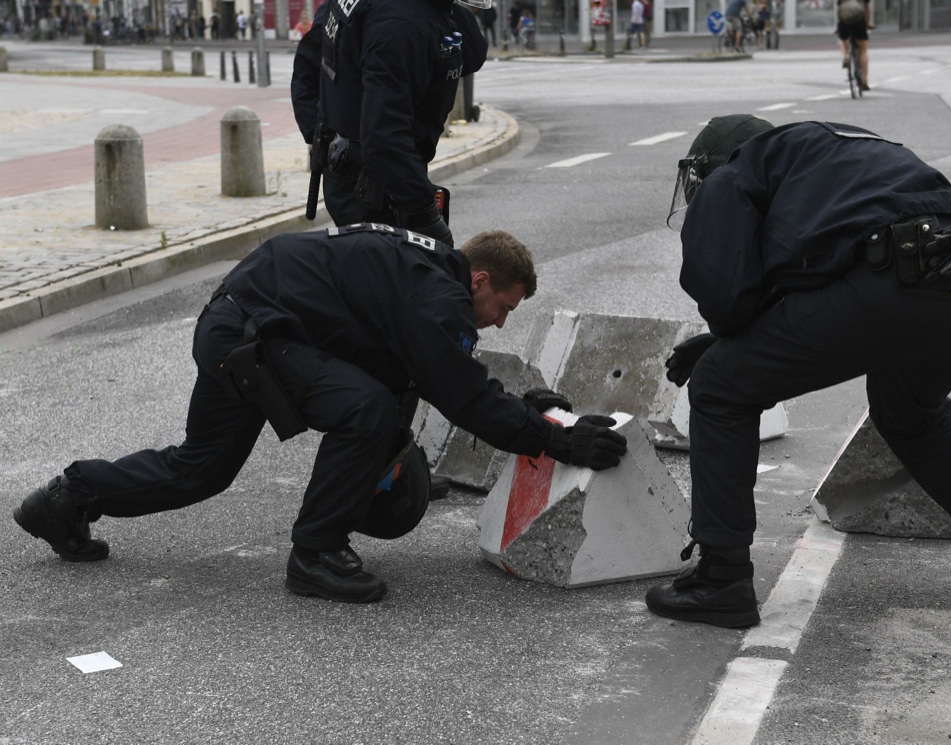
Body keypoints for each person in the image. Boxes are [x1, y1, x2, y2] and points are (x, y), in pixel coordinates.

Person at [12, 228, 628, 604]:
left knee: (201, 470)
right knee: (362, 409)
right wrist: (562, 445)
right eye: (503, 306)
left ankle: (67, 497)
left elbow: (443, 373)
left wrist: (534, 411)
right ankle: (315, 553)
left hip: (243, 322)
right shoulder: (434, 296)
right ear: (481, 279)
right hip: (251, 331)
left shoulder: (425, 280)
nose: (501, 320)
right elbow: (462, 396)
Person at [647, 114, 951, 629]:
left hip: (894, 276)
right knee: (912, 415)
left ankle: (721, 578)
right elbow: (827, 267)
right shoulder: (830, 149)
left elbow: (728, 298)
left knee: (719, 385)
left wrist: (723, 345)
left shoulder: (735, 172)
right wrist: (730, 340)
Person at [290, 0, 488, 246]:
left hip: (352, 175)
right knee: (394, 278)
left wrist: (326, 140)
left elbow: (473, 53)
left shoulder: (413, 15)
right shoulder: (401, 23)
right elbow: (384, 138)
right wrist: (426, 217)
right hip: (381, 188)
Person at [836, 0, 873, 91]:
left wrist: (839, 26)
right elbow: (867, 8)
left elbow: (839, 9)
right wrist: (867, 23)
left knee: (842, 39)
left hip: (844, 21)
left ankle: (845, 57)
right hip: (859, 22)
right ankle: (864, 80)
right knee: (863, 50)